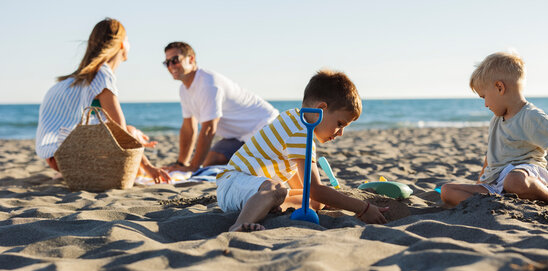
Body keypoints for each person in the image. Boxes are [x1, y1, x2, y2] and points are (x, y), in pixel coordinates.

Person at [216, 70, 389, 232]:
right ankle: (239, 226)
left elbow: (305, 189)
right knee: (277, 188)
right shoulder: (298, 131)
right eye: (339, 124)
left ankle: (268, 207)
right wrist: (363, 208)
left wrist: (327, 200)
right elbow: (315, 189)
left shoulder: (295, 118)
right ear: (320, 109)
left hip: (250, 190)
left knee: (313, 201)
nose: (340, 133)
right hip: (234, 183)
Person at [36, 18, 170, 184]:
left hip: (57, 159)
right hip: (72, 158)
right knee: (128, 131)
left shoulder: (70, 82)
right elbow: (120, 130)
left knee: (126, 131)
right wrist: (148, 166)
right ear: (121, 44)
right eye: (127, 39)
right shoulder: (102, 74)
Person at [440, 51, 548, 207]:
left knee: (513, 181)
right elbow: (490, 157)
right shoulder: (496, 120)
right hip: (494, 184)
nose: (485, 104)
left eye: (484, 96)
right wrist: (480, 182)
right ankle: (491, 205)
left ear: (499, 87)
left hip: (523, 175)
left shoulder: (531, 116)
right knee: (447, 190)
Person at [162, 42, 279, 172]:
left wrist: (194, 167)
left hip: (265, 127)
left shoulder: (208, 83)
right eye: (167, 62)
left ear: (191, 59)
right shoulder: (184, 90)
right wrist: (181, 164)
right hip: (237, 136)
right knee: (210, 162)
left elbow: (209, 128)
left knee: (243, 168)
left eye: (175, 60)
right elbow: (188, 128)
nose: (171, 66)